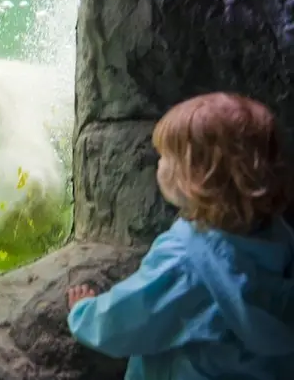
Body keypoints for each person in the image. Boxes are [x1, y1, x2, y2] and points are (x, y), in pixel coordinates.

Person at [66, 92, 294, 380]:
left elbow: (127, 320)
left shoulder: (185, 261)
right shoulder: (277, 235)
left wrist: (84, 313)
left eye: (165, 157)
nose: (157, 164)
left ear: (196, 180)